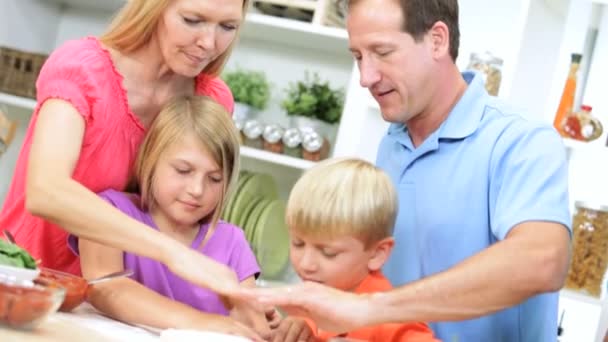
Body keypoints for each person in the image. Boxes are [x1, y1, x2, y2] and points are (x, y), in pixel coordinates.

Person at [238, 1, 571, 341]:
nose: (366, 77)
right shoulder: (393, 143)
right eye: (358, 57)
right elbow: (367, 269)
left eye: (382, 52)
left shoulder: (520, 140)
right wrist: (310, 323)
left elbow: (544, 260)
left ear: (437, 40)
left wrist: (373, 308)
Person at [0, 0, 248, 294]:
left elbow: (189, 220)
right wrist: (172, 252)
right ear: (153, 8)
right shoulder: (83, 69)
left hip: (117, 303)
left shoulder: (212, 100)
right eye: (192, 20)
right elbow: (46, 192)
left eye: (227, 26)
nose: (208, 43)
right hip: (24, 282)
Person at [70, 96, 266, 340]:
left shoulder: (232, 241)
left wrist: (265, 321)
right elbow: (103, 287)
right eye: (183, 170)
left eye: (215, 179)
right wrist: (200, 322)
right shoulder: (109, 212)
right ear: (150, 159)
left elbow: (251, 323)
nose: (197, 189)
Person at [270, 158, 438, 342]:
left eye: (328, 253)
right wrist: (303, 326)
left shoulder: (389, 317)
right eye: (298, 243)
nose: (306, 264)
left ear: (377, 253)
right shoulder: (314, 299)